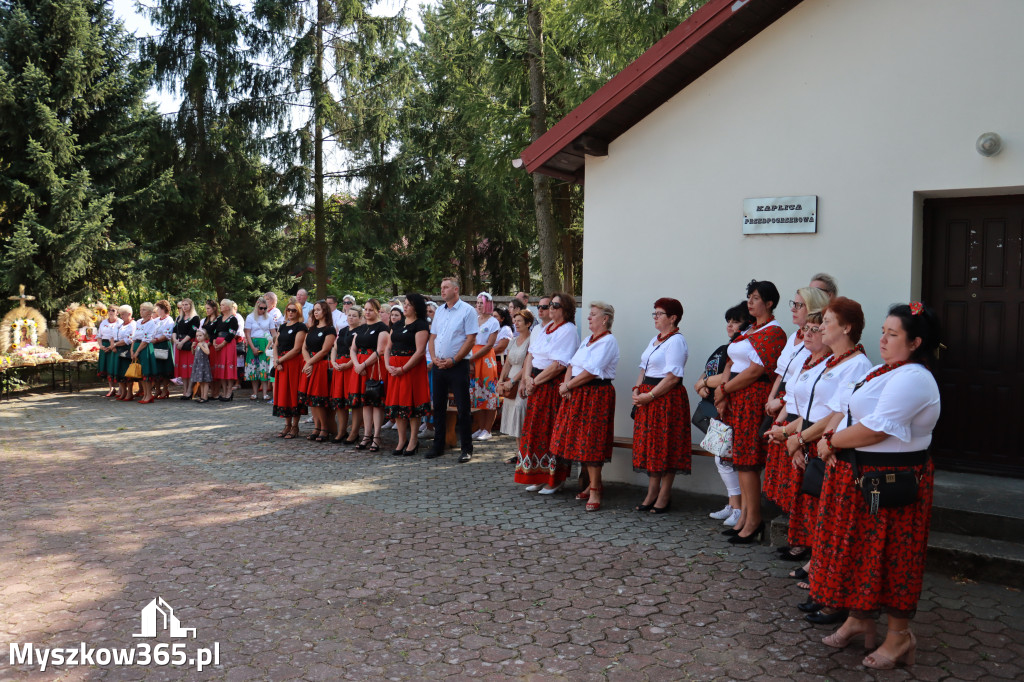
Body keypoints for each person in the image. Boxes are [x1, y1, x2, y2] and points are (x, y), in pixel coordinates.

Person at [811, 303, 941, 671]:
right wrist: (835, 438)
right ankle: (859, 618)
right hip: (862, 477)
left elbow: (876, 428)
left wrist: (832, 442)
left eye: (893, 334)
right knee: (862, 552)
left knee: (894, 557)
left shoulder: (914, 377)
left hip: (892, 483)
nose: (882, 339)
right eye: (883, 330)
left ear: (915, 342)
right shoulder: (886, 370)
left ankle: (900, 636)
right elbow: (856, 414)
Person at [780, 298, 870, 598]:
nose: (820, 328)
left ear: (846, 327)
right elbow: (819, 408)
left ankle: (825, 578)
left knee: (830, 519)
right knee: (820, 514)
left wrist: (807, 439)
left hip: (834, 449)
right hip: (820, 443)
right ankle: (820, 570)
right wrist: (796, 435)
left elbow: (840, 413)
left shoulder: (857, 364)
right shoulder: (834, 361)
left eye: (827, 322)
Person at [713, 280, 788, 543]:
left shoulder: (774, 332)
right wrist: (724, 390)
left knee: (749, 462)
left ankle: (754, 520)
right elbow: (732, 360)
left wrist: (724, 390)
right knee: (739, 461)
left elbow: (756, 370)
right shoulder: (750, 329)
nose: (750, 302)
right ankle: (744, 515)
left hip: (752, 398)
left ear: (769, 303)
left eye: (756, 298)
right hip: (736, 398)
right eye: (749, 297)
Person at [763, 286, 830, 557]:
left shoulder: (822, 353)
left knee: (803, 487)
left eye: (799, 305)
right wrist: (776, 415)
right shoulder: (797, 340)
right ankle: (798, 538)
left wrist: (792, 430)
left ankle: (806, 544)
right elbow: (784, 377)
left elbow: (814, 402)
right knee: (791, 487)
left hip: (803, 423)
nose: (793, 308)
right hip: (788, 417)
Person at [550, 302, 619, 511]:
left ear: (605, 318)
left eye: (593, 315)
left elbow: (591, 371)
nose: (589, 318)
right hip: (577, 393)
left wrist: (568, 384)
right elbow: (572, 364)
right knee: (580, 441)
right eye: (589, 314)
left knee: (592, 442)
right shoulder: (588, 339)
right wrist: (566, 384)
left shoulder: (608, 341)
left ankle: (596, 489)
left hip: (596, 394)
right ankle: (591, 484)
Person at [516, 292, 579, 492]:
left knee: (551, 430)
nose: (550, 308)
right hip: (536, 382)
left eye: (555, 305)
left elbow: (559, 365)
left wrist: (534, 381)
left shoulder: (568, 330)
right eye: (549, 304)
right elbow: (531, 354)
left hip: (551, 385)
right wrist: (526, 379)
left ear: (566, 310)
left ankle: (555, 478)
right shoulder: (545, 328)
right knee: (535, 430)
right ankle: (539, 475)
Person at [631, 298, 691, 512]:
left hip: (665, 398)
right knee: (651, 446)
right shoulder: (655, 340)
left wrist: (651, 396)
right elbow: (643, 369)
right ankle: (652, 492)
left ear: (673, 318)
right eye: (654, 313)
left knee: (666, 445)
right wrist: (637, 390)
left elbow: (673, 377)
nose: (655, 317)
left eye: (659, 313)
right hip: (648, 397)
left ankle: (664, 495)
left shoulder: (676, 341)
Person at [695, 302, 752, 526]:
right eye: (728, 320)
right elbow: (702, 378)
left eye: (735, 321)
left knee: (728, 458)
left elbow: (728, 377)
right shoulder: (724, 348)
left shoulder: (745, 346)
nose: (730, 325)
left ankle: (739, 508)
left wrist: (707, 382)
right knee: (722, 457)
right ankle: (733, 504)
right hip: (717, 409)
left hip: (732, 407)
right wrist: (702, 385)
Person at [427, 276, 479, 462]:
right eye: (441, 287)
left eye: (446, 287)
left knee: (463, 408)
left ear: (456, 290)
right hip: (439, 365)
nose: (442, 291)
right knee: (439, 406)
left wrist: (454, 360)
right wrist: (433, 358)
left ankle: (466, 448)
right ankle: (438, 445)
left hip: (457, 365)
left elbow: (470, 339)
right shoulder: (440, 311)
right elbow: (433, 337)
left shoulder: (468, 311)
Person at [384, 293, 431, 455]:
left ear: (416, 307)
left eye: (409, 304)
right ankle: (401, 439)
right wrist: (387, 364)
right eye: (404, 303)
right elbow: (388, 347)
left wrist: (403, 369)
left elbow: (419, 352)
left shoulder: (421, 325)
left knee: (411, 402)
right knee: (397, 404)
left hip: (411, 369)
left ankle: (413, 441)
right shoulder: (397, 325)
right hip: (394, 368)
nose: (405, 306)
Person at [348, 299, 389, 451]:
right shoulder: (361, 328)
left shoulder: (382, 328)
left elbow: (380, 350)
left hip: (373, 368)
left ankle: (376, 436)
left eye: (370, 310)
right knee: (365, 402)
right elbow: (353, 348)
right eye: (365, 309)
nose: (367, 312)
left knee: (375, 402)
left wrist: (364, 365)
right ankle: (366, 435)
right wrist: (357, 365)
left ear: (377, 311)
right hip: (359, 366)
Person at [297, 301, 337, 441]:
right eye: (314, 310)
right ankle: (317, 427)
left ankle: (325, 428)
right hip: (311, 365)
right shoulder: (312, 328)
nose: (315, 312)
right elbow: (304, 348)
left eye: (318, 310)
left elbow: (325, 350)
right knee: (311, 399)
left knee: (318, 398)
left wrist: (310, 363)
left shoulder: (330, 329)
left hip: (321, 366)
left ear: (325, 311)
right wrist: (308, 363)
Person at [272, 301, 308, 438]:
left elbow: (297, 349)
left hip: (293, 363)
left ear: (298, 311)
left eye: (294, 310)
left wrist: (280, 360)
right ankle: (287, 425)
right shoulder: (282, 326)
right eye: (289, 310)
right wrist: (276, 361)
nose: (291, 312)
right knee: (284, 393)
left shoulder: (301, 327)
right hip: (281, 363)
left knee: (293, 393)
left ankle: (295, 426)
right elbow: (276, 345)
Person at [330, 305, 363, 445]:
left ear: (360, 318)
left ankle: (354, 432)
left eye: (354, 315)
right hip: (339, 367)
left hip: (351, 368)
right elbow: (335, 347)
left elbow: (358, 352)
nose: (351, 318)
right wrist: (332, 361)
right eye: (349, 315)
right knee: (340, 401)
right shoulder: (343, 330)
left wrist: (349, 364)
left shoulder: (361, 331)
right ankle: (341, 431)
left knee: (353, 402)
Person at [498, 310, 533, 441]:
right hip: (509, 382)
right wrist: (501, 381)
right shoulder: (512, 341)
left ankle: (524, 456)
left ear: (528, 323)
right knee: (514, 422)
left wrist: (513, 381)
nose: (516, 323)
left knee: (521, 417)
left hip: (521, 381)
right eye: (515, 320)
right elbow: (507, 363)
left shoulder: (531, 341)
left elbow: (526, 365)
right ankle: (518, 454)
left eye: (519, 321)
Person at [469, 292, 500, 441]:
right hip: (472, 356)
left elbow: (489, 345)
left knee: (488, 393)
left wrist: (472, 358)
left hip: (485, 359)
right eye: (477, 303)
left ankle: (488, 429)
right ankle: (480, 428)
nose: (478, 305)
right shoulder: (474, 320)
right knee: (476, 395)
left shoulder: (493, 322)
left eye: (481, 303)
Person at [245, 296, 275, 401]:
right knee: (254, 367)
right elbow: (247, 334)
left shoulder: (269, 317)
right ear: (256, 307)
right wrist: (252, 347)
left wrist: (274, 342)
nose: (262, 310)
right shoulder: (250, 317)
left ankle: (265, 392)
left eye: (264, 308)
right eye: (260, 308)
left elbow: (273, 332)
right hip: (253, 342)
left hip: (265, 343)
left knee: (264, 367)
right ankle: (254, 392)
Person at [211, 299, 239, 401]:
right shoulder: (219, 318)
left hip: (227, 345)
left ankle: (229, 391)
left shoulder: (233, 319)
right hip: (218, 345)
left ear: (228, 307)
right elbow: (214, 331)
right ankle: (224, 390)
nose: (221, 307)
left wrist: (222, 344)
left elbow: (232, 333)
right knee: (221, 368)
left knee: (228, 366)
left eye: (222, 305)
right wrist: (214, 341)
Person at [173, 299, 201, 400]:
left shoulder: (195, 318)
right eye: (183, 305)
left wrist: (182, 342)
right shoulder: (179, 318)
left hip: (189, 344)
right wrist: (176, 341)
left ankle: (190, 390)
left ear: (191, 305)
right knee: (183, 369)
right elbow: (174, 330)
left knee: (190, 369)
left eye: (186, 305)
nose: (184, 307)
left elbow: (192, 332)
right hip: (179, 344)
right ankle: (184, 390)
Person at [148, 300, 176, 399]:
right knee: (156, 369)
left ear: (164, 309)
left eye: (158, 309)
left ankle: (165, 389)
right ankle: (157, 389)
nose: (157, 310)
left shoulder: (169, 320)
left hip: (163, 345)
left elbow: (167, 334)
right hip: (154, 345)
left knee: (164, 369)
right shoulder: (156, 320)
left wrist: (156, 339)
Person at [128, 302, 155, 404]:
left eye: (143, 309)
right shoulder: (139, 321)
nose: (141, 311)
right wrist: (132, 350)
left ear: (149, 312)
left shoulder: (151, 323)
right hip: (136, 346)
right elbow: (134, 337)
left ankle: (149, 395)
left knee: (146, 372)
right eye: (140, 309)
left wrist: (137, 351)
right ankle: (145, 394)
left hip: (144, 348)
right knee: (140, 373)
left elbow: (146, 340)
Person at [97, 305, 122, 397]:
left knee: (115, 366)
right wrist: (101, 346)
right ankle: (111, 388)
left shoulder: (120, 322)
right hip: (105, 345)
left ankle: (120, 388)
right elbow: (99, 336)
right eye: (109, 310)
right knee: (107, 367)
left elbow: (121, 336)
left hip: (116, 346)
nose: (110, 312)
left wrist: (112, 346)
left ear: (117, 312)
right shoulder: (103, 322)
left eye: (113, 310)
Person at [113, 305, 136, 401]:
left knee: (127, 372)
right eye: (121, 314)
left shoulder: (133, 324)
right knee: (120, 372)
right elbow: (115, 336)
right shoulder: (121, 324)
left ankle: (130, 393)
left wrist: (116, 344)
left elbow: (130, 339)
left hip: (127, 349)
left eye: (123, 314)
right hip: (119, 349)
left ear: (129, 314)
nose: (121, 316)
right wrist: (115, 344)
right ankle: (123, 392)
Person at [191, 328, 213, 403]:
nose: (198, 337)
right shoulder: (198, 344)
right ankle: (202, 396)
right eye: (197, 336)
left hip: (204, 365)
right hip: (198, 365)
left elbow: (207, 352)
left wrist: (201, 346)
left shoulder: (204, 344)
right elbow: (193, 353)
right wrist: (192, 347)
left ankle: (205, 397)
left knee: (205, 382)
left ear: (205, 336)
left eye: (200, 335)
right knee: (201, 382)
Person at [492, 307, 514, 373]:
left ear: (502, 319)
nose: (493, 319)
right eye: (492, 316)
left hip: (499, 361)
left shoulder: (506, 329)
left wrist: (484, 352)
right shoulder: (494, 329)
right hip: (491, 359)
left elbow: (500, 348)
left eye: (495, 316)